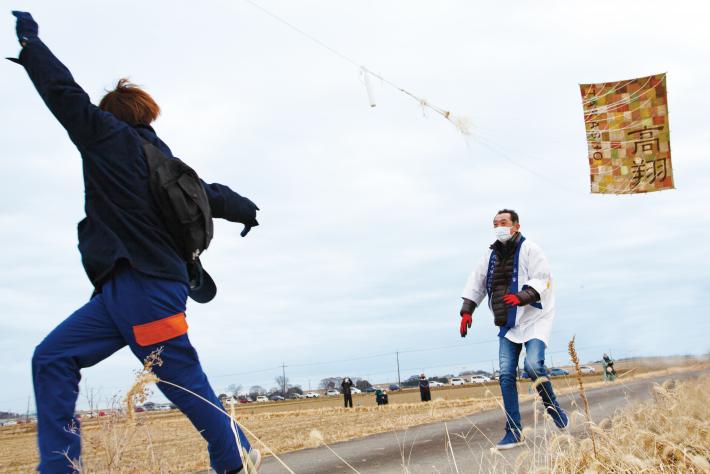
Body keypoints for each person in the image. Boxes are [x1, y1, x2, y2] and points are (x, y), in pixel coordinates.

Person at [9, 12, 261, 473]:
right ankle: (60, 466)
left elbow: (64, 94)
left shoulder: (109, 140)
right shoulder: (163, 160)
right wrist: (248, 210)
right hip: (122, 293)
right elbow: (212, 195)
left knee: (181, 378)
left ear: (110, 116)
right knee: (52, 358)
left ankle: (237, 457)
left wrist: (32, 46)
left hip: (143, 290)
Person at [459, 209, 568, 450]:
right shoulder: (489, 256)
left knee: (532, 366)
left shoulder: (531, 250)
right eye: (496, 223)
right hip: (508, 322)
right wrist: (467, 309)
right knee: (506, 375)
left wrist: (523, 296)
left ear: (516, 226)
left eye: (504, 222)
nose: (500, 226)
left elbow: (543, 279)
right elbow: (476, 282)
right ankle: (513, 431)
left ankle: (552, 406)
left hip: (535, 317)